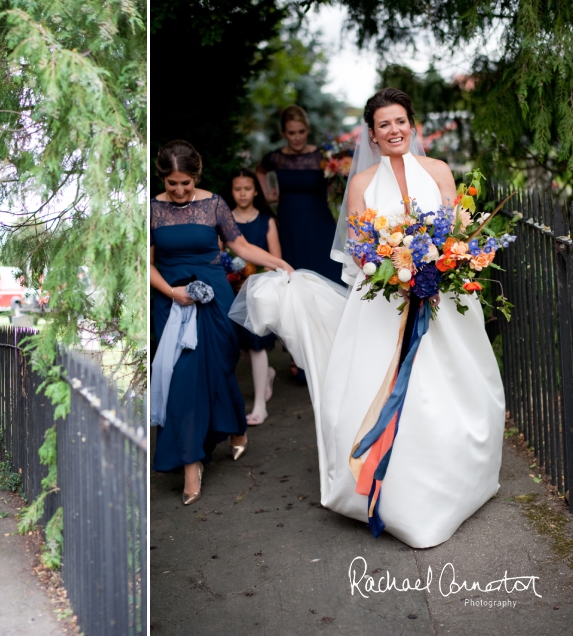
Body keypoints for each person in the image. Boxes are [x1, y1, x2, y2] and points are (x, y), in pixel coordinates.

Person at [236, 88, 504, 548]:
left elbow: (457, 227)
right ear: (373, 135)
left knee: (452, 383)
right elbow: (359, 249)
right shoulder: (360, 183)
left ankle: (459, 479)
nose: (394, 130)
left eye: (400, 121)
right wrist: (396, 270)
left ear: (412, 125)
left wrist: (441, 263)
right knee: (383, 387)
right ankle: (393, 490)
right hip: (383, 300)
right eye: (384, 124)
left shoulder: (439, 170)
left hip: (439, 297)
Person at [150, 140, 293, 506]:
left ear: (196, 176)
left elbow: (241, 247)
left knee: (218, 372)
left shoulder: (214, 204)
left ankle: (235, 426)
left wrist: (279, 264)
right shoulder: (151, 210)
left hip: (214, 300)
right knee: (182, 379)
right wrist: (172, 292)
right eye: (172, 184)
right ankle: (190, 463)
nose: (180, 191)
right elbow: (144, 263)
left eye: (186, 183)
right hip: (172, 302)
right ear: (162, 178)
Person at [256, 105, 343, 285]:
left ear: (308, 130)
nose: (297, 137)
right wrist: (266, 195)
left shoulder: (322, 157)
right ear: (283, 134)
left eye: (301, 131)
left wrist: (337, 186)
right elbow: (260, 170)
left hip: (319, 225)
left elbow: (337, 184)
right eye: (291, 132)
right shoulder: (276, 158)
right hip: (289, 225)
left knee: (327, 277)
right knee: (293, 278)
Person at [226, 168, 280, 425]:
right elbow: (222, 257)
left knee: (256, 344)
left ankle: (260, 405)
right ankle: (267, 372)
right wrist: (232, 277)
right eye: (237, 189)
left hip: (259, 291)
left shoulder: (266, 220)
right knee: (240, 344)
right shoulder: (225, 221)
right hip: (233, 290)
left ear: (255, 191)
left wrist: (254, 279)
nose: (243, 193)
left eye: (247, 188)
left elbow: (275, 259)